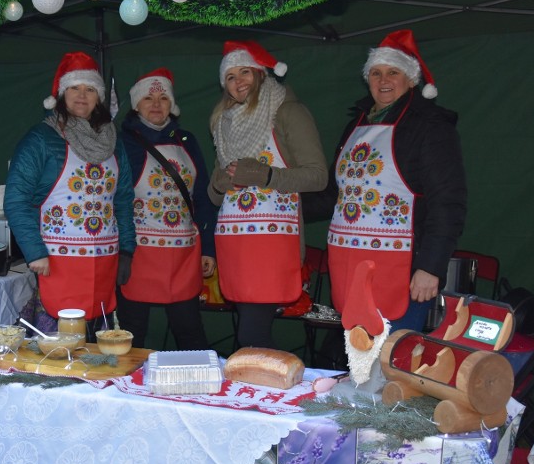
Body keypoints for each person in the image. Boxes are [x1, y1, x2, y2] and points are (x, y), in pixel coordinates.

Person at [303, 29, 467, 332]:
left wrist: (430, 267)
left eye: (393, 72)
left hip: (402, 270)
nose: (383, 80)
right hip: (349, 266)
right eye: (376, 73)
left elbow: (448, 201)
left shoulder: (431, 127)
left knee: (392, 362)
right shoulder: (357, 123)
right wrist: (285, 208)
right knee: (359, 357)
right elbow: (335, 196)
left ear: (411, 79)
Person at [4, 52, 136, 334]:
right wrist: (35, 252)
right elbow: (17, 199)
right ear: (62, 93)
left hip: (104, 261)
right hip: (56, 262)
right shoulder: (40, 139)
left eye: (90, 89)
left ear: (99, 97)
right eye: (75, 88)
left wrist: (126, 249)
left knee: (97, 342)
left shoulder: (114, 141)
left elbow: (123, 200)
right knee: (57, 342)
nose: (82, 96)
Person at [209, 40, 328, 349]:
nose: (239, 82)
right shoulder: (224, 123)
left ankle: (265, 391)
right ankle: (260, 389)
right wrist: (223, 182)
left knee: (251, 335)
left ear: (260, 73)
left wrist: (267, 176)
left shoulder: (287, 111)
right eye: (231, 76)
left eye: (245, 72)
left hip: (272, 244)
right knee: (249, 333)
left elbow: (318, 176)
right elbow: (214, 194)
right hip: (234, 243)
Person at [118, 68, 217, 350]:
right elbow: (116, 200)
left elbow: (202, 195)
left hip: (183, 254)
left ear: (172, 104)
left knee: (189, 330)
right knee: (131, 332)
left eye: (163, 98)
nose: (157, 104)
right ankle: (126, 390)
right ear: (136, 104)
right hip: (138, 253)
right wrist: (122, 251)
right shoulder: (122, 143)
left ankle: (199, 390)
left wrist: (208, 247)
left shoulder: (187, 140)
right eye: (148, 98)